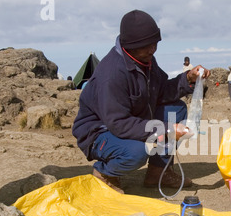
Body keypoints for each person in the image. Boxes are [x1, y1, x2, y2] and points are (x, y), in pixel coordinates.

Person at [72, 10, 210, 194]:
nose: (152, 49)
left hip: (131, 119)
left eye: (154, 43)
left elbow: (162, 91)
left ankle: (158, 172)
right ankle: (105, 173)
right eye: (146, 46)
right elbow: (119, 123)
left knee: (176, 109)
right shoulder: (112, 74)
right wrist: (167, 129)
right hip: (101, 131)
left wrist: (189, 79)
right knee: (137, 152)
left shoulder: (145, 59)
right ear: (129, 46)